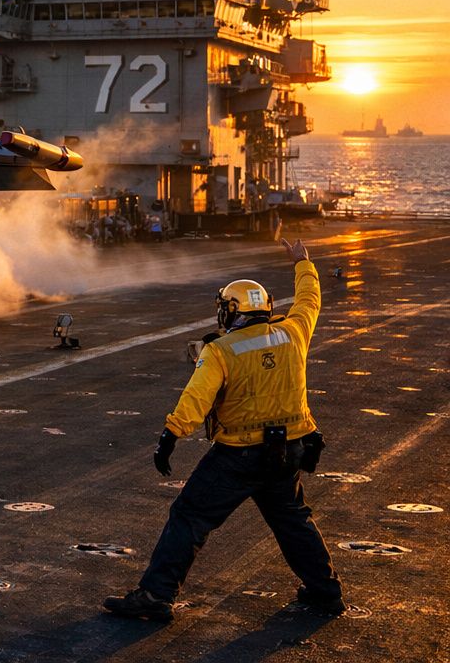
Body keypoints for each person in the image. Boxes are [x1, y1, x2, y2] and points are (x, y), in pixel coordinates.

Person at [104, 237, 343, 621]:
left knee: (189, 516)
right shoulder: (294, 331)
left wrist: (170, 436)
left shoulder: (221, 350)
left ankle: (155, 595)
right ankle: (326, 592)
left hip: (239, 455)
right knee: (293, 520)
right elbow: (309, 299)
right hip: (290, 449)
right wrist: (303, 262)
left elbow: (195, 399)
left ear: (232, 311)